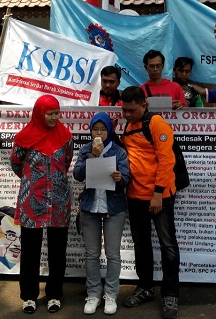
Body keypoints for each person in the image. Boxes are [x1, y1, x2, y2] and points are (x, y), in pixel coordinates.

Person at [10, 95, 74, 314]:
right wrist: (33, 180)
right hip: (32, 201)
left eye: (57, 113)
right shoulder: (23, 138)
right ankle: (29, 296)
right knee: (30, 250)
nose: (54, 118)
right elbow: (16, 163)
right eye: (50, 114)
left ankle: (54, 294)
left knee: (58, 250)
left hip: (58, 201)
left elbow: (66, 162)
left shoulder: (66, 137)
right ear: (39, 113)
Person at [120, 86, 180, 319]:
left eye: (131, 110)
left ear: (143, 105)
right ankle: (145, 287)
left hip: (159, 197)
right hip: (135, 196)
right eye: (124, 110)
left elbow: (167, 160)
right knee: (141, 244)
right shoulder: (128, 125)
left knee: (168, 245)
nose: (127, 114)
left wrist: (157, 193)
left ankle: (170, 294)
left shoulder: (156, 124)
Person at [73, 112, 130, 315]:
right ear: (90, 131)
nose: (99, 133)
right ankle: (94, 294)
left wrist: (120, 178)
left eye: (103, 129)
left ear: (109, 131)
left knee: (113, 254)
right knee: (92, 255)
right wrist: (93, 156)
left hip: (113, 208)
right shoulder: (86, 149)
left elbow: (127, 178)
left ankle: (111, 294)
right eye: (95, 129)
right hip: (90, 208)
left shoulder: (119, 151)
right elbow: (77, 175)